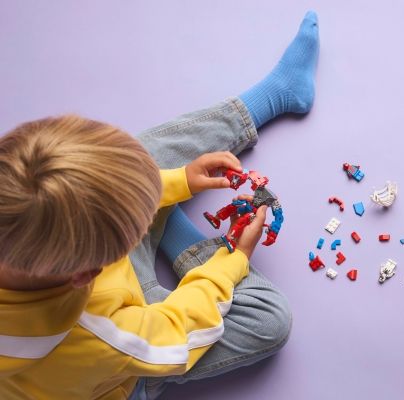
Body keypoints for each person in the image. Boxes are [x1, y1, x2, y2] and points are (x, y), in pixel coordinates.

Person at [0, 11, 319, 399]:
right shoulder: (100, 336)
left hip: (105, 304)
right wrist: (233, 257)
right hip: (127, 360)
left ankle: (277, 95)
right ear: (88, 272)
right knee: (270, 320)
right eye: (133, 226)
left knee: (137, 162)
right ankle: (175, 234)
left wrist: (178, 180)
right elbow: (174, 335)